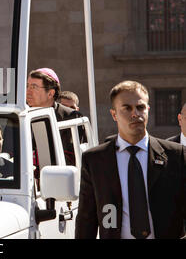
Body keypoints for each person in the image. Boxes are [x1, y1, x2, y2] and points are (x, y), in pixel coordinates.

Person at [75, 80, 185, 239]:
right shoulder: (95, 160)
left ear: (148, 110)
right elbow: (86, 221)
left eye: (140, 107)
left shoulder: (176, 155)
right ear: (114, 114)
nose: (135, 114)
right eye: (127, 108)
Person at [26, 68, 83, 166]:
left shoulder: (71, 117)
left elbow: (75, 159)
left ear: (50, 93)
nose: (28, 92)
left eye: (34, 87)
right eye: (27, 86)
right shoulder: (20, 116)